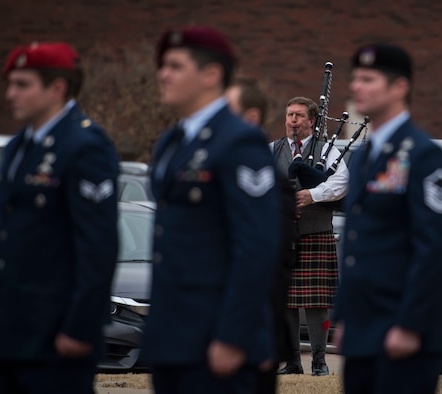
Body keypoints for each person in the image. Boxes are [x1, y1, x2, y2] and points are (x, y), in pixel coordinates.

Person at [139, 26, 281, 394]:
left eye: (174, 65)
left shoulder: (238, 140)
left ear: (211, 75)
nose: (163, 74)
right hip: (173, 338)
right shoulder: (172, 141)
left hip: (216, 339)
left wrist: (234, 336)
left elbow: (256, 247)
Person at [0, 42, 120, 393]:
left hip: (57, 333)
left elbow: (97, 247)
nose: (10, 94)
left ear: (57, 88)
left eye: (22, 84)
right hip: (13, 332)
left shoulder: (84, 145)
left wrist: (79, 326)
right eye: (10, 83)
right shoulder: (19, 147)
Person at [332, 43, 442, 394]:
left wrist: (410, 324)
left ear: (399, 87)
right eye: (355, 78)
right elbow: (357, 242)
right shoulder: (368, 154)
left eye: (368, 79)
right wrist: (344, 317)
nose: (356, 86)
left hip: (403, 331)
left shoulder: (424, 157)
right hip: (363, 328)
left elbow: (433, 248)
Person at [226, 77, 296, 394]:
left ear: (251, 117)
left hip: (251, 333)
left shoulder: (264, 174)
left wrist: (261, 336)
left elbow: (273, 263)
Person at [271, 96, 348, 376]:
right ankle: (292, 362)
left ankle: (319, 361)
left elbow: (342, 182)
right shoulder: (273, 150)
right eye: (289, 114)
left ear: (312, 121)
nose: (293, 120)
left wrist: (311, 195)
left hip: (316, 233)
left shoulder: (326, 149)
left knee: (317, 305)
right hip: (284, 237)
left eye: (299, 115)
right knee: (287, 302)